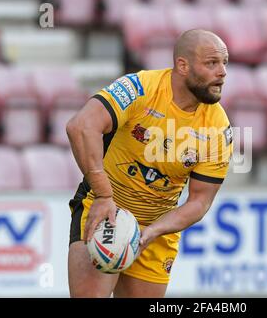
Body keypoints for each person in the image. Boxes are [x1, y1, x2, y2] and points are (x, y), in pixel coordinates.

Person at [66, 29, 233, 298]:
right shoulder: (140, 88)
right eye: (212, 63)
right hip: (104, 211)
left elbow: (199, 202)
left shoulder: (218, 127)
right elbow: (81, 126)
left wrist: (154, 230)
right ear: (183, 65)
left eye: (225, 62)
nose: (223, 72)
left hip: (157, 227)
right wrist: (104, 194)